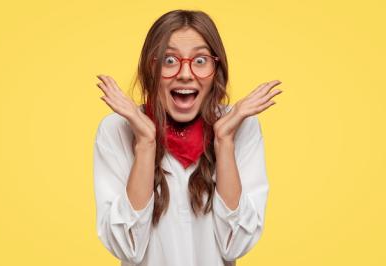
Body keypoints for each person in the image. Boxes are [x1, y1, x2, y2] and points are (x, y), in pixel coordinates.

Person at [93, 9, 283, 266]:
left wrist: (224, 141)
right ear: (151, 68)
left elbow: (235, 245)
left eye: (200, 60)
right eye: (169, 60)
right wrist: (146, 142)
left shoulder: (242, 127)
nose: (185, 74)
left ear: (217, 69)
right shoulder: (116, 129)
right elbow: (128, 248)